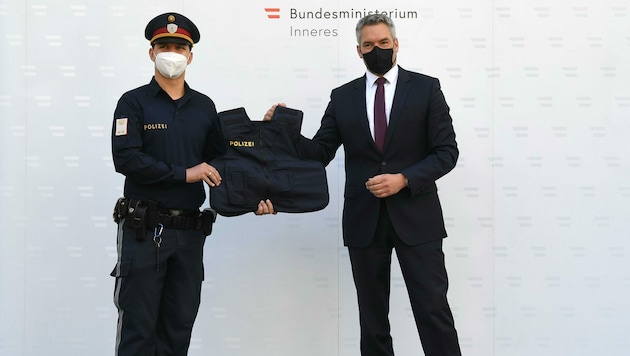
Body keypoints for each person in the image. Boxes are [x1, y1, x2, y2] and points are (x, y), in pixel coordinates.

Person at [265, 13, 461, 356]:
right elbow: (320, 152)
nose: (377, 50)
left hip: (418, 217)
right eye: (369, 45)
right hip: (364, 220)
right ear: (359, 51)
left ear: (396, 44)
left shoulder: (426, 88)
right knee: (372, 321)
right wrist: (283, 130)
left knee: (433, 312)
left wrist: (404, 179)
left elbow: (447, 152)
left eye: (384, 43)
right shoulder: (343, 97)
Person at [110, 12, 274, 356]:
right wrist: (184, 174)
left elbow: (223, 164)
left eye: (179, 47)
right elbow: (126, 159)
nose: (172, 53)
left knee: (178, 327)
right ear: (152, 52)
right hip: (144, 230)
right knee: (138, 330)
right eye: (164, 46)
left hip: (188, 234)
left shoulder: (204, 107)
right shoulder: (133, 102)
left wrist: (265, 138)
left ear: (191, 55)